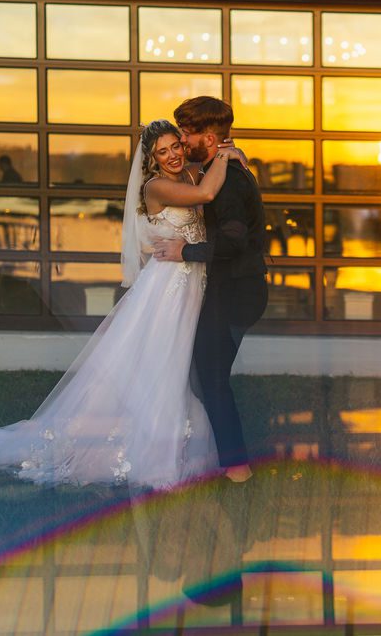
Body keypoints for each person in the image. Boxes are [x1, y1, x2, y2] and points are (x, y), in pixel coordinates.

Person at [0, 120, 246, 489]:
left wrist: (229, 156)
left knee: (182, 364)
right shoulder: (157, 187)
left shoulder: (187, 173)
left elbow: (206, 181)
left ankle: (180, 442)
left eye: (175, 147)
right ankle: (153, 451)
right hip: (167, 289)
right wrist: (225, 154)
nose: (172, 155)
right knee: (163, 363)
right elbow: (206, 195)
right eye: (162, 151)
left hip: (190, 286)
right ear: (150, 160)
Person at [153, 96, 268, 484]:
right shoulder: (218, 167)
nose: (182, 141)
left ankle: (237, 469)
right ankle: (217, 458)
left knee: (212, 380)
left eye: (186, 133)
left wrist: (185, 250)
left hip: (234, 294)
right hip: (227, 290)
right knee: (205, 378)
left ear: (209, 136)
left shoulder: (230, 181)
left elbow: (234, 242)